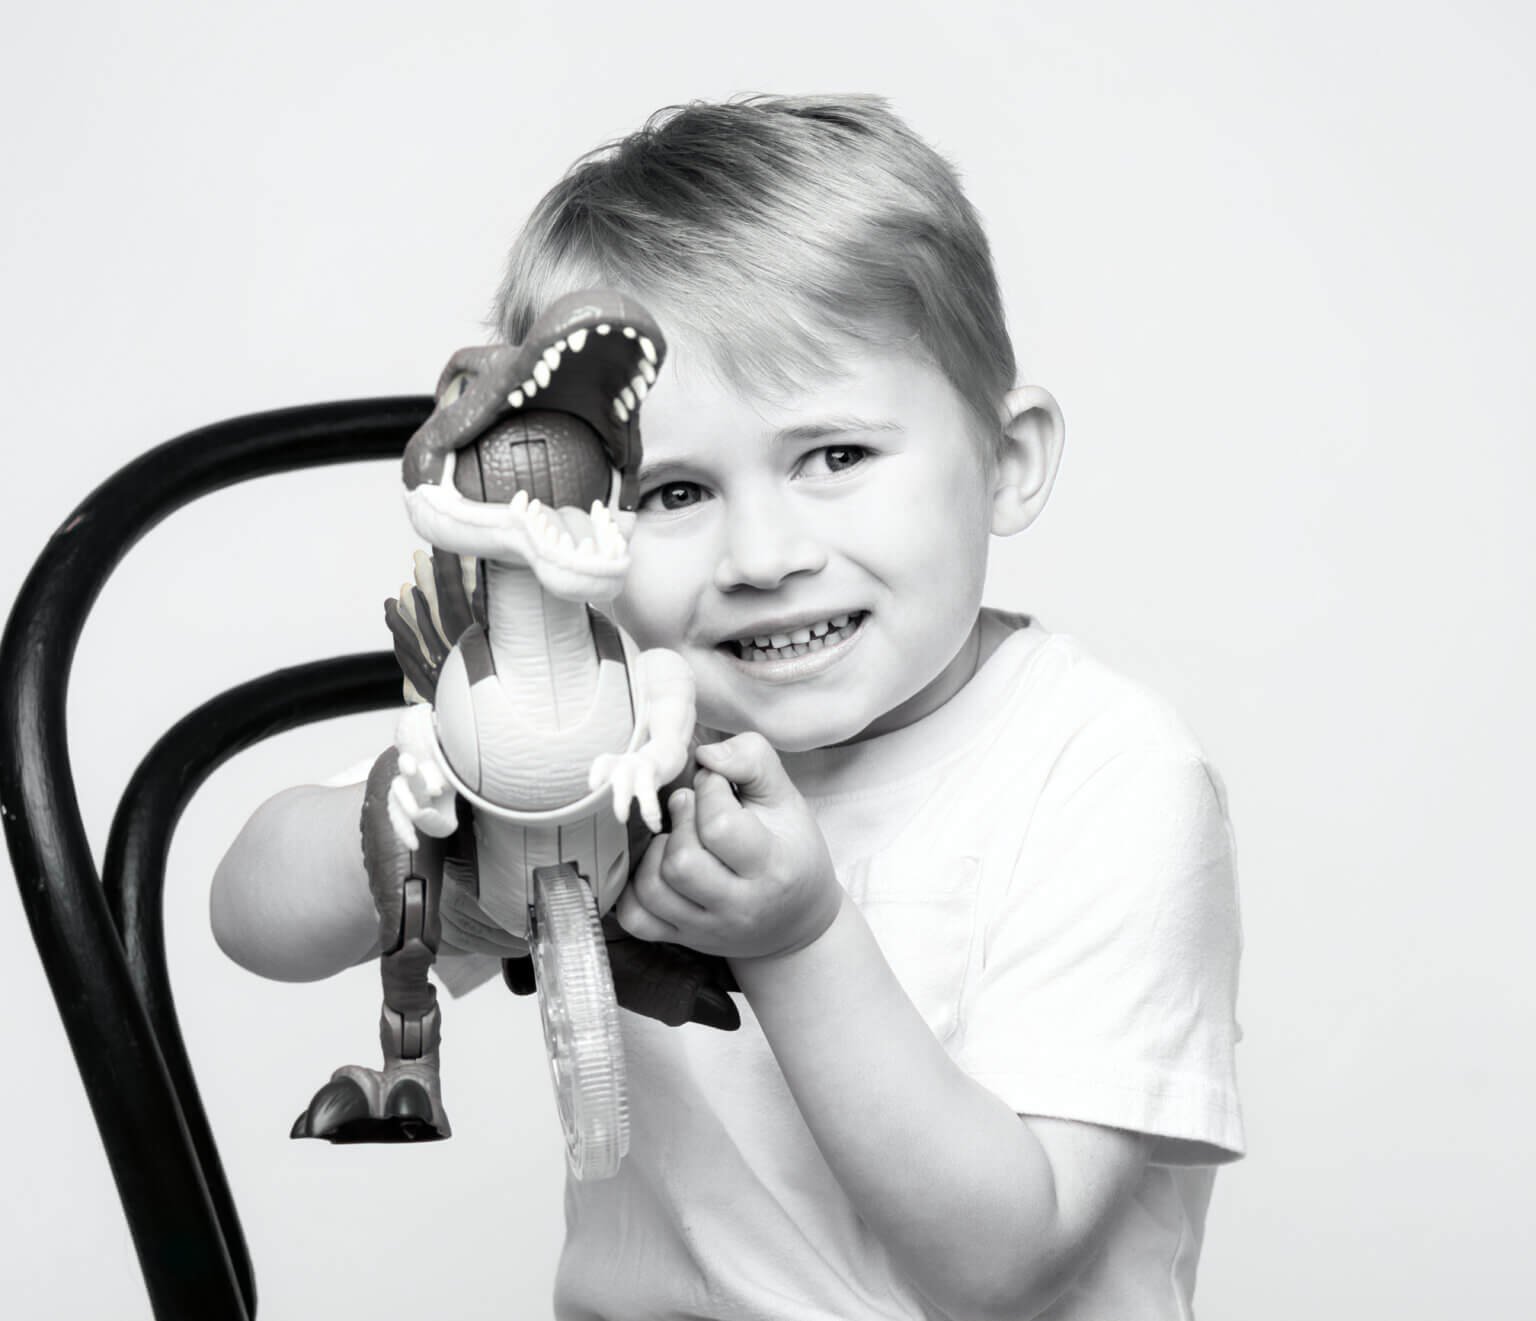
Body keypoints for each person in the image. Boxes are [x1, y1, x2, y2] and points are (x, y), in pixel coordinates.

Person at [212, 94, 1244, 1319]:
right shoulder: (617, 719)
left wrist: (797, 939)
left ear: (1007, 458)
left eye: (837, 457)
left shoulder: (1105, 774)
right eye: (675, 491)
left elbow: (1006, 1262)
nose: (761, 554)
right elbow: (253, 915)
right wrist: (432, 829)